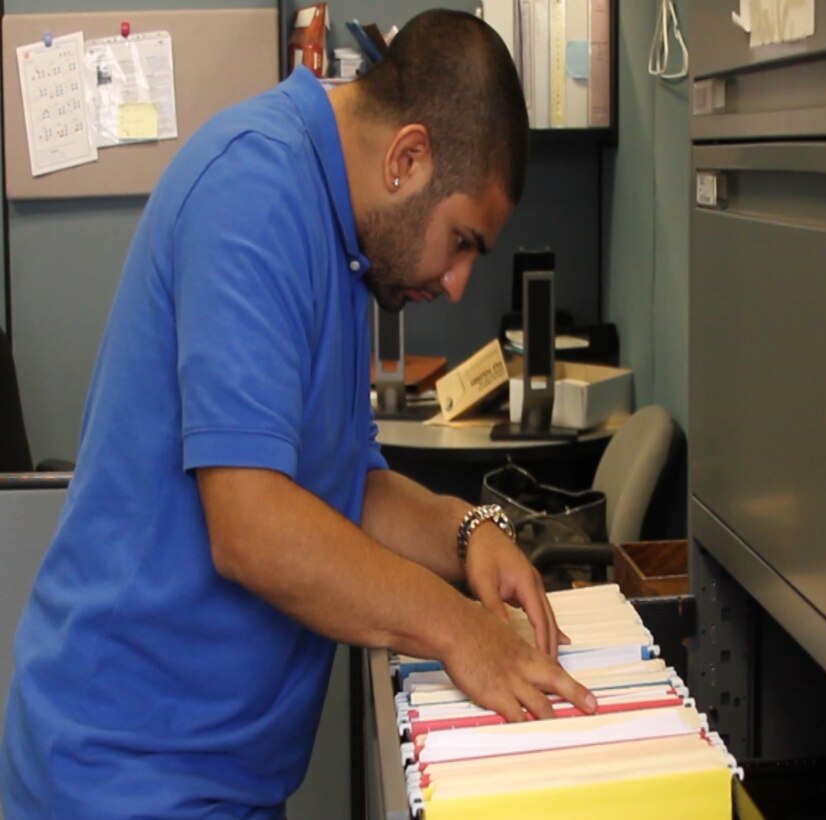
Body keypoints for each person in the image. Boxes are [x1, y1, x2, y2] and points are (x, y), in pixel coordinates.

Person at [0, 9, 596, 818]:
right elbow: (252, 525)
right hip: (124, 769)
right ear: (408, 157)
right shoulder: (256, 189)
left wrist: (469, 530)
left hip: (219, 772)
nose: (457, 283)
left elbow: (341, 480)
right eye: (462, 241)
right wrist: (459, 629)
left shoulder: (345, 233)